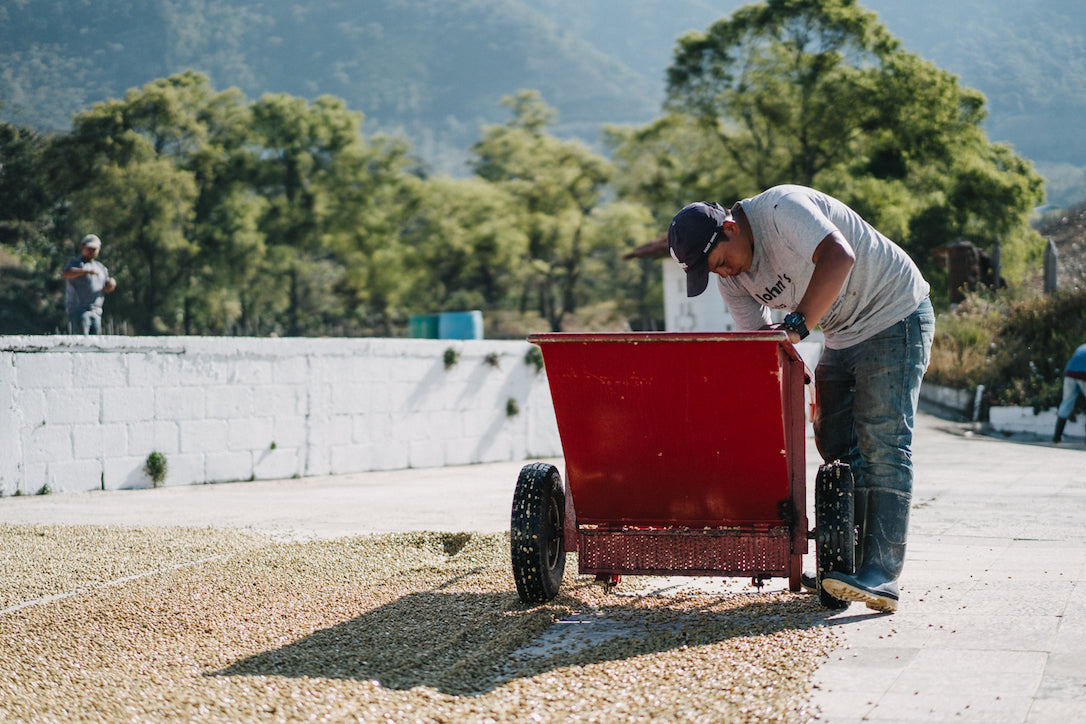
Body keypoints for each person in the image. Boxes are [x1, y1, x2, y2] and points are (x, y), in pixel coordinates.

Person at [667, 185, 934, 613]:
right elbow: (760, 352)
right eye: (712, 272)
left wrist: (796, 325)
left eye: (719, 262)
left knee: (882, 442)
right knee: (834, 442)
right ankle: (847, 566)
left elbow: (839, 256)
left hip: (895, 314)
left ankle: (881, 575)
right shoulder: (734, 281)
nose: (724, 274)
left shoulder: (782, 209)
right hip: (843, 334)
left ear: (731, 228)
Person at [62, 234, 117, 335]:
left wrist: (111, 284)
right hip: (79, 311)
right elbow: (66, 273)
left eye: (94, 249)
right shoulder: (76, 263)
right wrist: (85, 271)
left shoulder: (101, 268)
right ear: (82, 247)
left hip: (96, 312)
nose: (91, 251)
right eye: (89, 248)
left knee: (94, 345)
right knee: (81, 344)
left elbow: (107, 289)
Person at [1053, 343, 1086, 444]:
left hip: (1069, 373)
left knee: (1066, 402)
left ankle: (1057, 437)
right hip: (1084, 373)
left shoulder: (1081, 346)